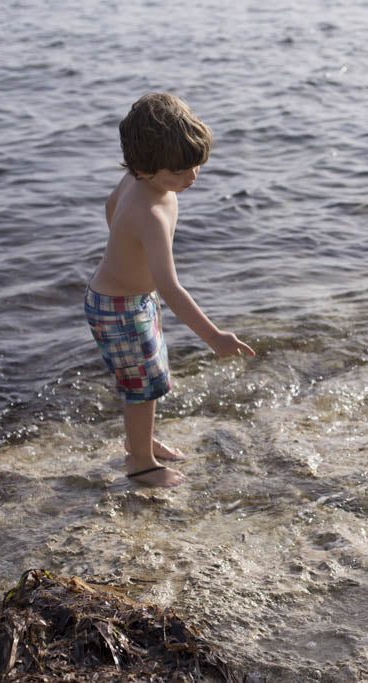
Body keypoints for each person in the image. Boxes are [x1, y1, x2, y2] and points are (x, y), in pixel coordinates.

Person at [84, 93, 255, 488]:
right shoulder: (153, 213)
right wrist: (215, 337)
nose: (189, 178)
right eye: (176, 173)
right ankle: (140, 464)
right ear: (144, 169)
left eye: (195, 166)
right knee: (142, 385)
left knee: (149, 376)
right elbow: (172, 288)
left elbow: (110, 208)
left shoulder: (137, 182)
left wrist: (128, 251)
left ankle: (141, 441)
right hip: (120, 307)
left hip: (127, 298)